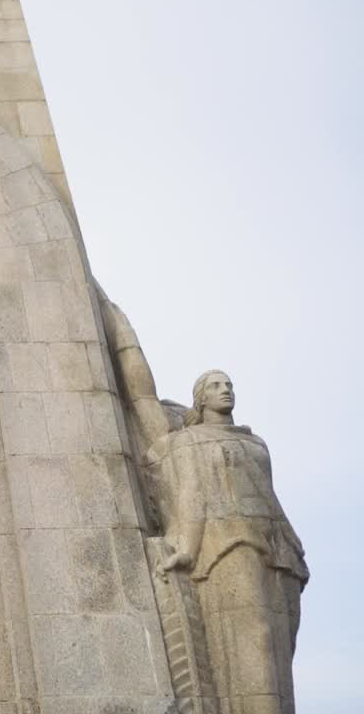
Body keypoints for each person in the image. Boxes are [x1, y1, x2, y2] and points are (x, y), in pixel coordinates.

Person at [100, 295, 307, 714]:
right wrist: (188, 550)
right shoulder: (186, 443)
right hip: (224, 550)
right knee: (251, 642)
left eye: (228, 384)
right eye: (215, 385)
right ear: (200, 399)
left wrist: (293, 544)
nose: (225, 390)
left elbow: (269, 499)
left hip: (275, 553)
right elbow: (190, 496)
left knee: (276, 644)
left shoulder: (255, 443)